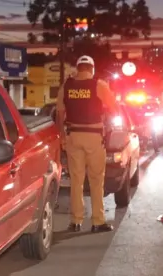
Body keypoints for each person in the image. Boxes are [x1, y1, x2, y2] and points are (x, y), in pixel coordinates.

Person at [56, 55, 119, 233]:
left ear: (78, 68)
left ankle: (75, 221)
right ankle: (98, 221)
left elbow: (60, 114)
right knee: (96, 179)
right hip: (93, 137)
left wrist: (61, 135)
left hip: (73, 137)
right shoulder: (99, 85)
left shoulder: (66, 86)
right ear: (91, 69)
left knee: (76, 180)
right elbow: (114, 108)